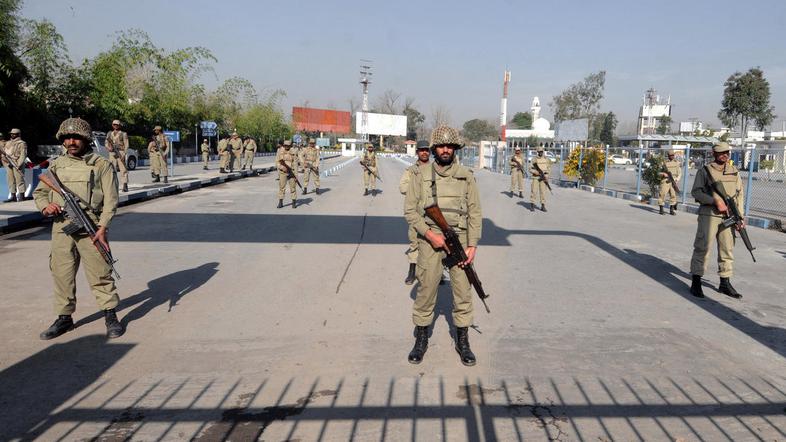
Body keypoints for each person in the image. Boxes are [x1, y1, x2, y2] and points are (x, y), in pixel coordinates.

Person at [34, 118, 124, 340]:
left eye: (76, 138)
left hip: (91, 226)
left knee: (101, 273)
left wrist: (103, 227)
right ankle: (64, 317)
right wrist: (46, 206)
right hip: (61, 226)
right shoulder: (56, 165)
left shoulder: (101, 165)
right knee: (61, 274)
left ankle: (110, 315)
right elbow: (40, 193)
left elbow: (111, 201)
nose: (71, 142)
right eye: (67, 138)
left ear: (85, 139)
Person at [404, 125, 482, 366]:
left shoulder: (466, 176)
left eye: (450, 146)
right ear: (434, 149)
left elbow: (475, 212)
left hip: (459, 239)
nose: (446, 150)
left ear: (455, 148)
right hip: (431, 239)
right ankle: (421, 338)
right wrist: (430, 235)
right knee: (426, 289)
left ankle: (462, 340)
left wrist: (472, 245)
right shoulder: (420, 175)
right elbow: (410, 211)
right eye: (441, 146)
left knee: (463, 291)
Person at [689, 142, 744, 299]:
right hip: (709, 215)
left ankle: (725, 282)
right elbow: (696, 192)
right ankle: (696, 281)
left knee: (727, 249)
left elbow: (739, 195)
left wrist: (740, 216)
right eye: (721, 152)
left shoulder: (734, 172)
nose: (724, 155)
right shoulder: (705, 171)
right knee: (703, 247)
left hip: (730, 216)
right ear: (714, 153)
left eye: (727, 152)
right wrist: (714, 201)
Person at [399, 140, 431, 284]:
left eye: (426, 150)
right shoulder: (411, 171)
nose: (424, 152)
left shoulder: (435, 169)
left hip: (433, 213)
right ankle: (412, 271)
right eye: (421, 150)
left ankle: (438, 273)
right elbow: (402, 187)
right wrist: (417, 187)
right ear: (417, 152)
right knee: (415, 242)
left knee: (436, 243)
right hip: (416, 213)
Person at [2, 128, 27, 202]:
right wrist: (7, 162)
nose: (12, 135)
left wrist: (19, 164)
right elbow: (5, 153)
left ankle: (22, 196)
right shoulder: (8, 143)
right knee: (10, 180)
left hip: (17, 163)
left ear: (18, 134)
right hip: (8, 163)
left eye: (14, 134)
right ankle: (13, 196)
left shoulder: (22, 143)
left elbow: (23, 155)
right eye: (11, 134)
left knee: (19, 179)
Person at [106, 119, 130, 192]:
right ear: (112, 125)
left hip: (120, 152)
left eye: (117, 125)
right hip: (112, 153)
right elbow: (106, 143)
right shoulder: (109, 134)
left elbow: (126, 145)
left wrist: (124, 153)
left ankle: (125, 184)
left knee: (123, 169)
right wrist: (109, 148)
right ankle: (113, 185)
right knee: (112, 169)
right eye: (114, 124)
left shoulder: (123, 134)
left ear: (119, 125)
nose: (115, 126)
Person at [658, 150, 682, 215]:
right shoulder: (664, 163)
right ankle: (661, 209)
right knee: (662, 194)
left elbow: (679, 172)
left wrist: (677, 179)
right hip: (665, 180)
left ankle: (671, 210)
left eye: (673, 155)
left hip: (673, 180)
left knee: (673, 195)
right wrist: (663, 174)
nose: (672, 156)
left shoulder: (677, 163)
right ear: (668, 156)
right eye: (670, 155)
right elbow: (658, 172)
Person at [276, 140, 298, 208]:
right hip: (283, 172)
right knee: (282, 187)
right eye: (285, 145)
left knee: (293, 187)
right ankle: (280, 202)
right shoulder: (280, 151)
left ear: (290, 146)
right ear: (283, 145)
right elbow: (277, 162)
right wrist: (281, 167)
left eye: (288, 146)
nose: (286, 147)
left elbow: (295, 163)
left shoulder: (293, 152)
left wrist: (296, 175)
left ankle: (294, 202)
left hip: (291, 172)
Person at [529, 144, 550, 212]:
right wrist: (535, 172)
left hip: (543, 178)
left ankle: (543, 205)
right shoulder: (534, 159)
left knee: (543, 192)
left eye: (541, 151)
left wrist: (547, 176)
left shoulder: (546, 159)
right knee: (534, 191)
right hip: (536, 178)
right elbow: (530, 168)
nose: (540, 153)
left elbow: (549, 168)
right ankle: (532, 205)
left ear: (543, 151)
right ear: (537, 152)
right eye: (539, 151)